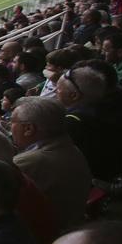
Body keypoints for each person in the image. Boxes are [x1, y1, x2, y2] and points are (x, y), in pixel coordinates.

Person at [11, 96, 91, 234]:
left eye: (11, 122)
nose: (9, 127)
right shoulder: (70, 147)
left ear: (28, 128)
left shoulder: (27, 163)